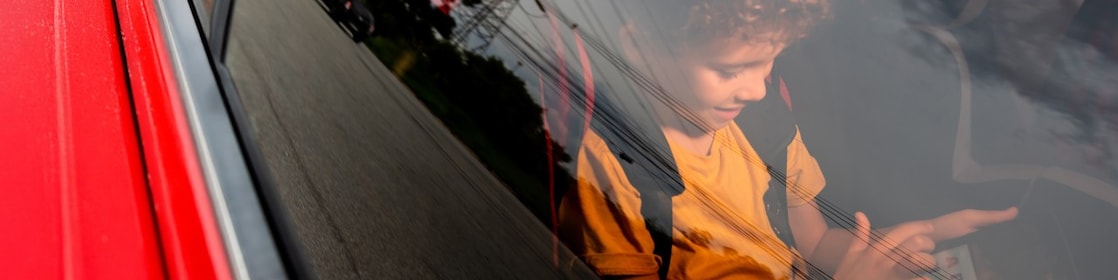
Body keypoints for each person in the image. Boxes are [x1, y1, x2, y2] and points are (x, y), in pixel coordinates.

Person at [556, 1, 1019, 279]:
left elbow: (815, 244)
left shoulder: (766, 128)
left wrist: (903, 246)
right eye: (730, 70)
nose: (757, 90)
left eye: (769, 62)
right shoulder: (620, 167)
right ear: (640, 46)